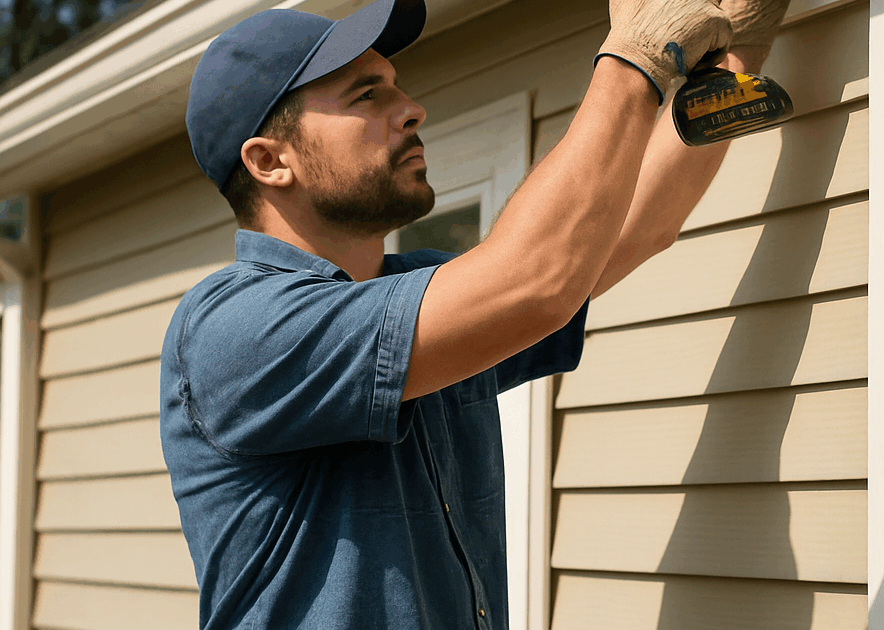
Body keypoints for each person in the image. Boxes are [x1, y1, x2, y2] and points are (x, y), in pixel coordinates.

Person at [160, 0, 790, 628]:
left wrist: (739, 56)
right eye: (366, 95)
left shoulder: (416, 290)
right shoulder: (233, 328)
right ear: (270, 161)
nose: (411, 108)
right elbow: (536, 278)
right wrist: (635, 57)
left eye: (397, 88)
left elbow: (631, 229)